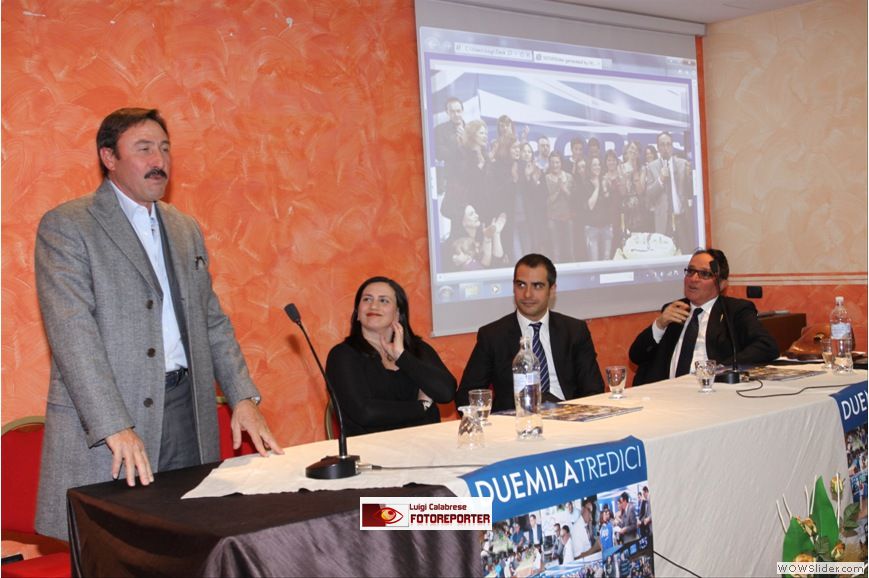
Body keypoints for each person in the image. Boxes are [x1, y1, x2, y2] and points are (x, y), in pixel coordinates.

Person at [34, 108, 283, 541]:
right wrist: (115, 425)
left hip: (188, 409)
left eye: (165, 149)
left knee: (190, 540)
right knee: (118, 549)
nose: (159, 161)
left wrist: (243, 396)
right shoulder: (69, 226)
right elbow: (73, 336)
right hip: (116, 418)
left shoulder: (185, 228)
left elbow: (212, 320)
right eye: (144, 149)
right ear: (109, 157)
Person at [456, 254, 604, 410]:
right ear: (513, 287)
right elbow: (466, 397)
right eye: (521, 285)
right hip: (516, 419)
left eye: (537, 286)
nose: (527, 294)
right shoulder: (493, 336)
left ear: (552, 290)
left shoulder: (574, 331)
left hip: (569, 414)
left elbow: (594, 391)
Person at [325, 276, 456, 436]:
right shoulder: (342, 356)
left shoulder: (417, 349)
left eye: (384, 300)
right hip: (371, 447)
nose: (374, 305)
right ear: (357, 313)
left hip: (425, 442)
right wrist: (421, 407)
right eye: (367, 299)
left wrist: (402, 357)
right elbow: (366, 413)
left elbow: (446, 393)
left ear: (397, 313)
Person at [629, 248, 780, 385]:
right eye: (690, 271)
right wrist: (660, 324)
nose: (693, 279)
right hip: (667, 392)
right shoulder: (675, 309)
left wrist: (721, 368)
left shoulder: (735, 311)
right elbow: (636, 356)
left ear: (722, 284)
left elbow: (767, 346)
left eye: (704, 274)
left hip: (711, 391)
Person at [644, 131, 694, 253]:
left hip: (682, 219)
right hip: (663, 222)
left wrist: (690, 177)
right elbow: (649, 195)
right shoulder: (651, 167)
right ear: (658, 148)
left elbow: (690, 191)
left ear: (672, 146)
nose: (666, 148)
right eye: (662, 145)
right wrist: (660, 180)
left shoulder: (683, 164)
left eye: (668, 144)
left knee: (687, 254)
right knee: (666, 256)